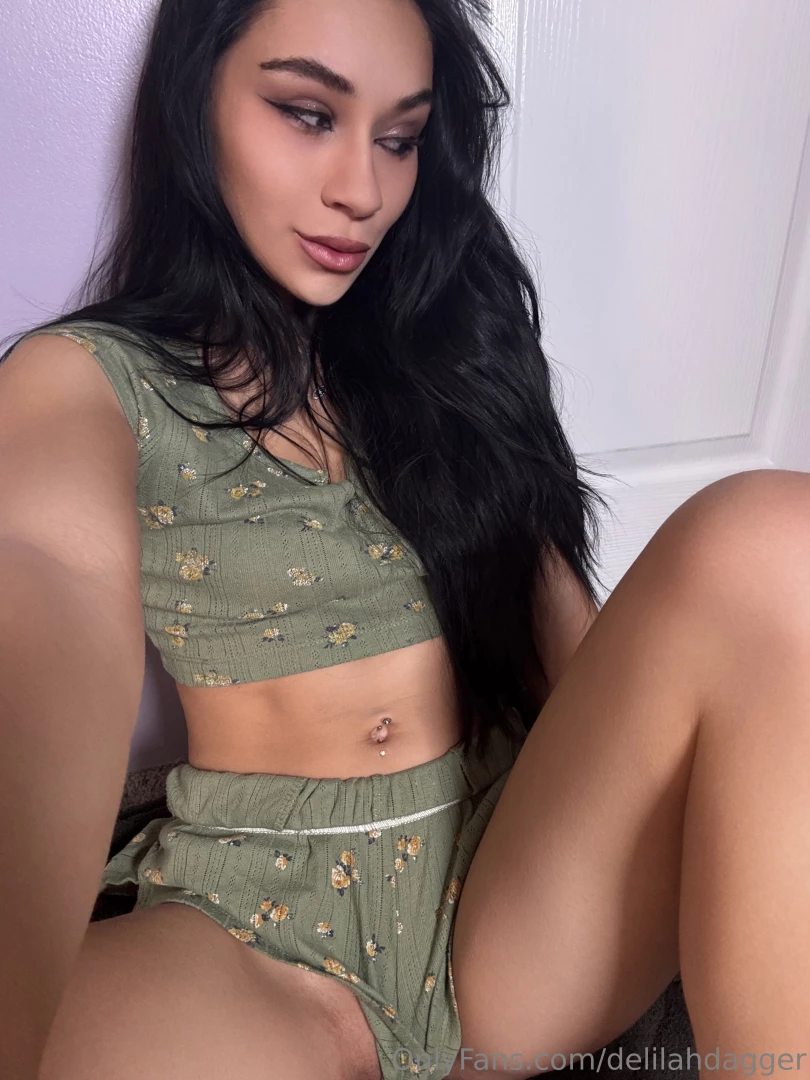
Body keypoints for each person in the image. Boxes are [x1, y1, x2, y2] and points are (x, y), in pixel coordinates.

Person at [2, 0, 810, 1077]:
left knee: (774, 539)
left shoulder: (447, 356)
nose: (364, 190)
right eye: (307, 114)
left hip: (510, 894)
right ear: (196, 103)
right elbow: (44, 580)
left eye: (399, 137)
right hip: (252, 928)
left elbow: (580, 665)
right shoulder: (92, 379)